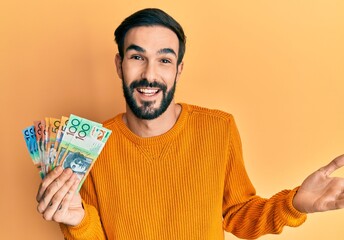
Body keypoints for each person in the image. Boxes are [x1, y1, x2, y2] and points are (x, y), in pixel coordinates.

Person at [36, 8, 344, 239]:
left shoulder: (218, 128)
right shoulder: (89, 147)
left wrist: (295, 204)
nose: (150, 74)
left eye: (164, 59)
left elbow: (237, 214)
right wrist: (77, 222)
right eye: (137, 57)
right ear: (120, 65)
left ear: (179, 69)